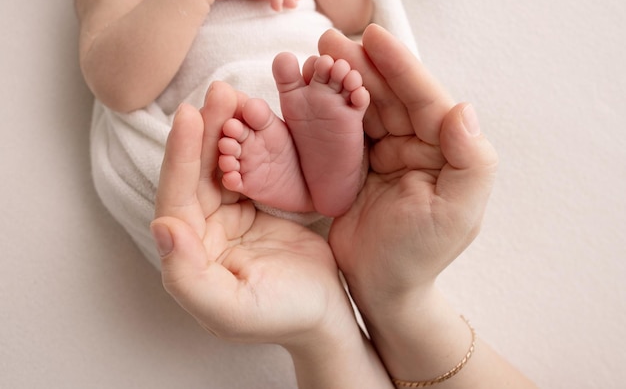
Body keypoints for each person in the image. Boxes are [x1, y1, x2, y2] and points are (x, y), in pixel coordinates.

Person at [151, 24, 538, 388]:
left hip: (244, 172)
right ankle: (315, 176)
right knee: (287, 102)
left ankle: (311, 176)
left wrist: (330, 327)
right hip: (261, 158)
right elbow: (116, 81)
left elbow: (352, 4)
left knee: (262, 120)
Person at [75, 0, 372, 218]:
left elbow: (352, 12)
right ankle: (301, 179)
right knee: (240, 124)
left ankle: (325, 168)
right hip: (231, 113)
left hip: (302, 76)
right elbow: (117, 83)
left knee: (327, 83)